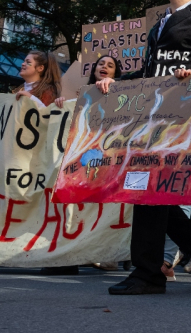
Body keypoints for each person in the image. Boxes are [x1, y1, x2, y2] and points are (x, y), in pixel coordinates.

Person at [96, 0, 191, 295]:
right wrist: (116, 83)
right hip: (150, 115)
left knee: (147, 191)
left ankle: (147, 273)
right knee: (150, 192)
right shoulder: (157, 25)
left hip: (181, 116)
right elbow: (149, 72)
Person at [55, 55, 123, 273]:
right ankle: (81, 250)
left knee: (105, 207)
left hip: (107, 158)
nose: (104, 67)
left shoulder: (120, 91)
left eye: (110, 66)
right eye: (101, 64)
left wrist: (116, 87)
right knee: (81, 206)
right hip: (82, 159)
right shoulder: (82, 94)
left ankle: (110, 254)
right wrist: (61, 105)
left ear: (115, 74)